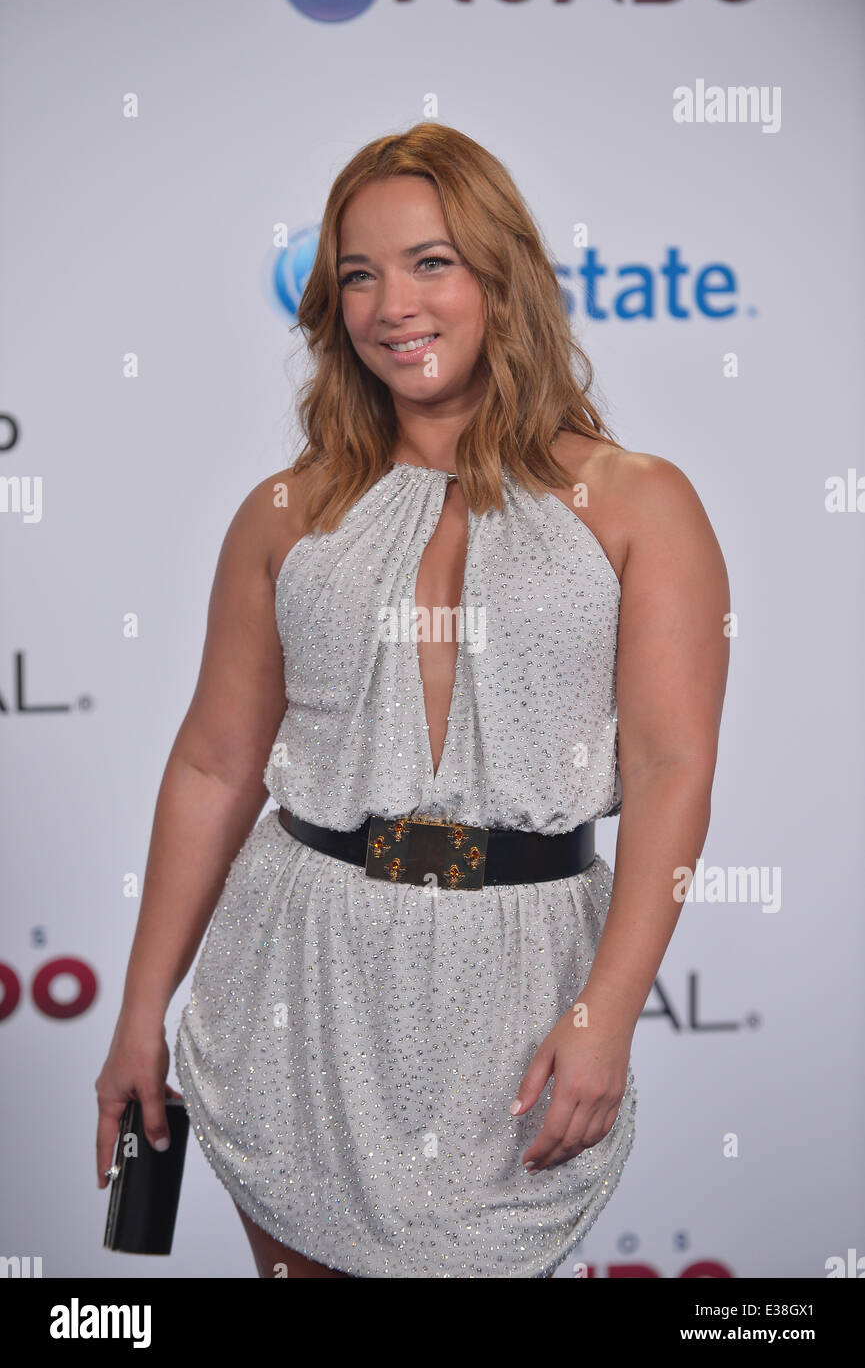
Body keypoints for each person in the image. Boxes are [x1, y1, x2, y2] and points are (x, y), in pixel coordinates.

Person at [95, 122, 729, 1279]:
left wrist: (609, 1008)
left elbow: (674, 768)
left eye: (431, 261)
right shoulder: (286, 512)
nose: (394, 302)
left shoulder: (638, 504)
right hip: (295, 975)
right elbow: (214, 764)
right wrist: (142, 1010)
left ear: (501, 274)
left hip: (515, 1003)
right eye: (358, 272)